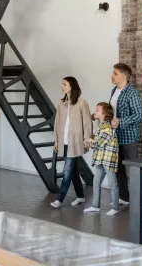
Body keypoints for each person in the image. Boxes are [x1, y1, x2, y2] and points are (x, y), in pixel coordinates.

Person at [50, 77, 93, 209]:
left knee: (67, 170)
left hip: (76, 141)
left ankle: (59, 199)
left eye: (64, 84)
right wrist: (56, 141)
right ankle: (80, 196)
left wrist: (87, 138)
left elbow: (87, 122)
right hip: (64, 141)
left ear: (71, 86)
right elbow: (57, 123)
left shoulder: (82, 103)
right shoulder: (61, 103)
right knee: (73, 170)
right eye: (62, 84)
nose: (62, 86)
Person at [109, 63, 142, 205]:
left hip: (129, 137)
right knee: (118, 169)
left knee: (133, 170)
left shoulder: (132, 92)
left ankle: (138, 199)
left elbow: (138, 115)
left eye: (115, 73)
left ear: (124, 76)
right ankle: (125, 197)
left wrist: (120, 121)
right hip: (115, 137)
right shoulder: (113, 91)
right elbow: (113, 112)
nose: (112, 75)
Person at [83, 102, 120, 215]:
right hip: (100, 159)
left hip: (108, 160)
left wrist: (89, 141)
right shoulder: (100, 126)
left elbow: (99, 143)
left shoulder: (107, 127)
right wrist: (90, 141)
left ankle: (115, 207)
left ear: (104, 113)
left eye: (98, 110)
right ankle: (95, 206)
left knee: (113, 184)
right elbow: (96, 143)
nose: (95, 111)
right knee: (96, 182)